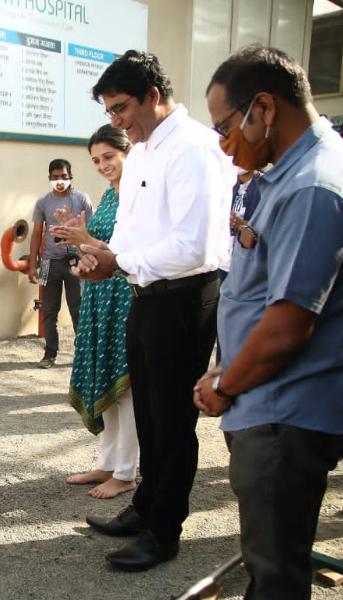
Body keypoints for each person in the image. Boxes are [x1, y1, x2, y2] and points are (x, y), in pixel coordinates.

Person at [192, 46, 343, 600]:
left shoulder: (315, 186)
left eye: (226, 126)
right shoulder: (295, 174)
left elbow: (286, 327)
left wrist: (225, 385)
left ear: (264, 108)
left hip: (288, 403)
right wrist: (229, 366)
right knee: (268, 544)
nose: (224, 144)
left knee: (276, 550)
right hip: (270, 392)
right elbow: (261, 296)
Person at [71, 50, 234, 572]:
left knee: (172, 420)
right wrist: (103, 257)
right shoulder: (141, 151)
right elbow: (129, 231)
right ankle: (144, 507)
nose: (116, 121)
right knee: (148, 412)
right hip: (144, 296)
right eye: (110, 111)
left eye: (121, 107)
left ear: (154, 96)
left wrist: (119, 261)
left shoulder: (193, 148)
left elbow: (192, 246)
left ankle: (165, 530)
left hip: (185, 298)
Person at [53, 125, 138, 499]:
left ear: (127, 152)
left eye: (109, 157)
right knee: (104, 376)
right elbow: (99, 249)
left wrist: (85, 239)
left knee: (126, 383)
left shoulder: (138, 195)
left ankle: (126, 471)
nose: (103, 165)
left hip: (124, 294)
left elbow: (127, 252)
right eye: (96, 160)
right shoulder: (107, 195)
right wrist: (80, 245)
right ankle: (108, 462)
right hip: (99, 294)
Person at [26, 159, 91, 368]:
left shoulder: (82, 199)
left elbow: (91, 230)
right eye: (55, 177)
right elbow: (36, 234)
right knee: (48, 310)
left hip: (76, 261)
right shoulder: (43, 202)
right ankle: (49, 354)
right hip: (48, 263)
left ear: (70, 177)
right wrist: (32, 264)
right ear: (49, 178)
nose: (59, 181)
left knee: (78, 309)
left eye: (63, 176)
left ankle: (82, 355)